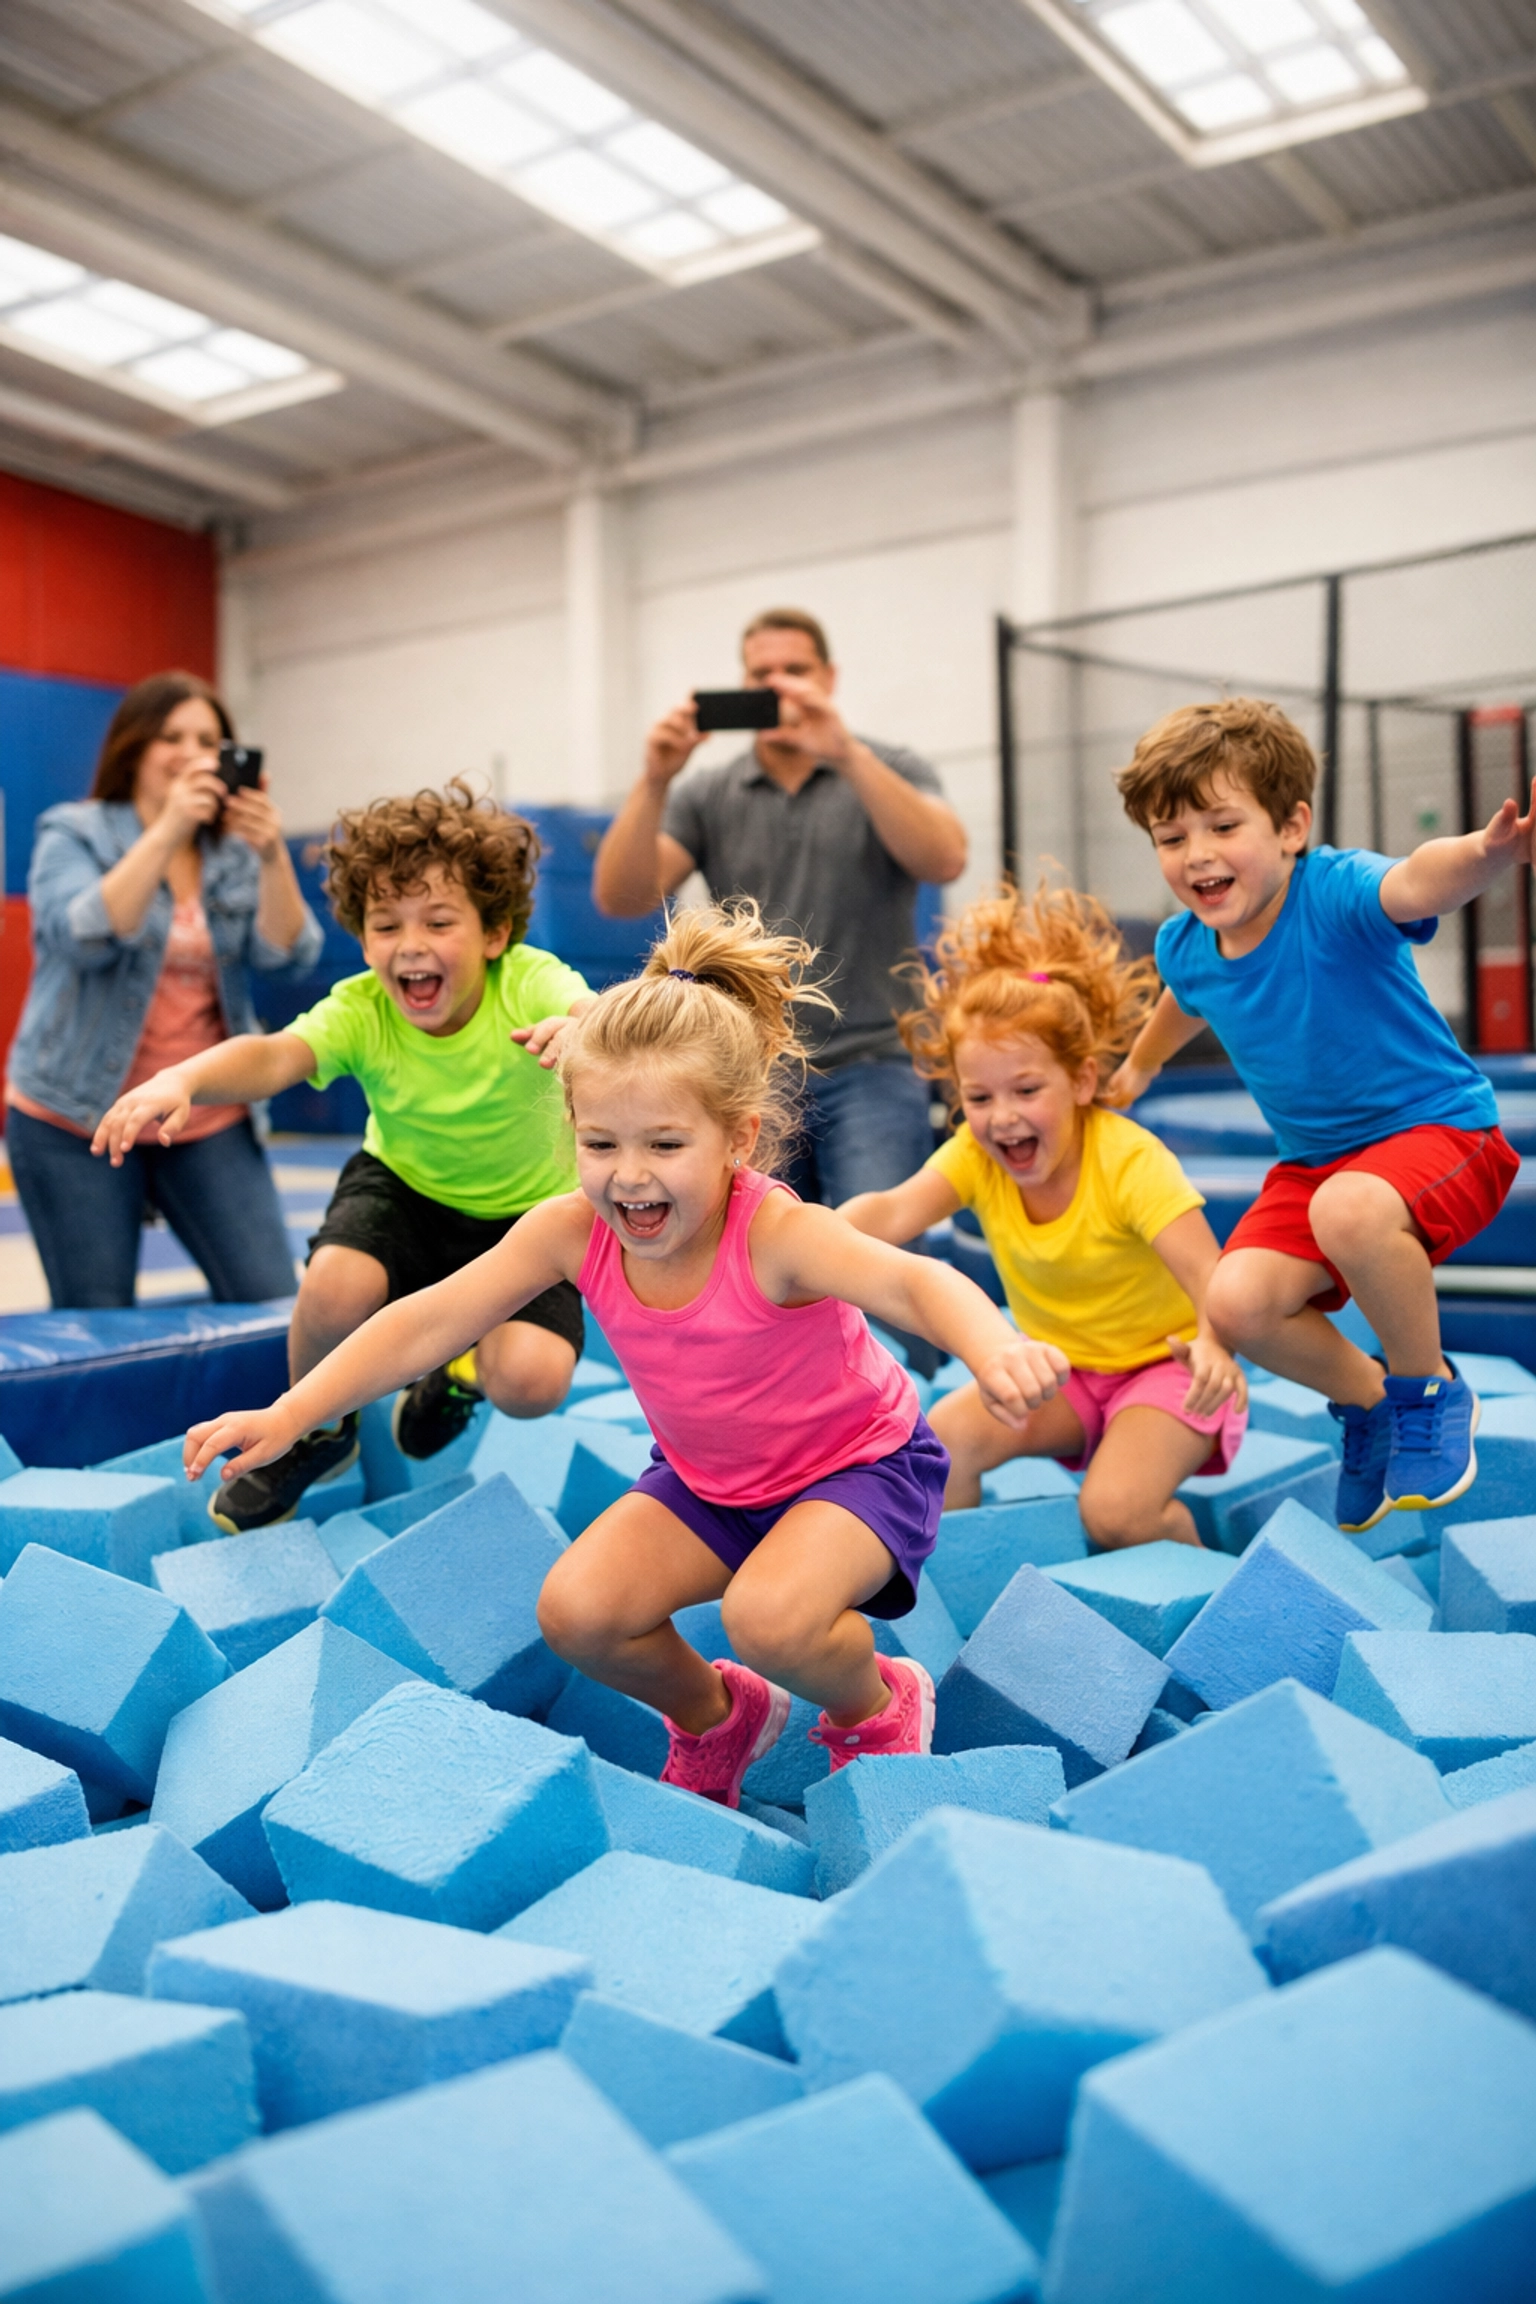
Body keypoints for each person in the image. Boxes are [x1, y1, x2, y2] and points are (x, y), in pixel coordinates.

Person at [183, 904, 1064, 1805]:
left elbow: (918, 1284)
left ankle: (875, 1703)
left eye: (665, 1145)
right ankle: (722, 1718)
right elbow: (428, 1320)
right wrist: (292, 1413)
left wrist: (992, 1345)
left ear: (739, 1140)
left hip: (857, 1471)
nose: (628, 1175)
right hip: (712, 1483)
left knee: (768, 1618)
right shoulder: (572, 1231)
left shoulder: (778, 1235)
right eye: (600, 1144)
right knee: (579, 1614)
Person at [95, 780, 593, 1531]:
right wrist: (184, 1077)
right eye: (386, 925)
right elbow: (273, 1056)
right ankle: (320, 1431)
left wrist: (589, 1031)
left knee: (531, 1382)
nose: (411, 944)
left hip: (527, 1215)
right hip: (405, 1186)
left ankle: (453, 1376)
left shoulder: (529, 983)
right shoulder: (362, 1007)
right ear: (363, 940)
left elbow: (593, 1010)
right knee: (334, 1286)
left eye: (438, 920)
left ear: (494, 935)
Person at [1108, 698, 1523, 1532]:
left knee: (1351, 1208)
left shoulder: (1332, 893)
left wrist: (1486, 854)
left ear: (1293, 826)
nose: (1198, 855)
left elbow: (1416, 877)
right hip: (1319, 1166)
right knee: (1236, 1300)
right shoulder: (1186, 944)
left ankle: (1427, 1389)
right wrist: (1139, 1066)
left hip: (1441, 1133)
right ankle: (1371, 1404)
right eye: (1172, 837)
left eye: (1223, 826)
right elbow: (1184, 1001)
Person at [840, 883, 1247, 1541]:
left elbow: (1213, 1277)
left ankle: (1205, 1588)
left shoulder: (1128, 1162)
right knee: (943, 1442)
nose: (1002, 1117)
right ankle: (956, 1602)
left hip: (1171, 1369)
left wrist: (1217, 1346)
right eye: (978, 1096)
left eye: (1026, 1090)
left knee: (1114, 1512)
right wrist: (798, 1235)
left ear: (1082, 1081)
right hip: (1068, 1373)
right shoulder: (978, 1154)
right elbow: (890, 1212)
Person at [591, 607, 968, 1211]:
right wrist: (655, 779)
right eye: (761, 674)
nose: (779, 685)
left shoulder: (888, 766)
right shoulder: (708, 792)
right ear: (742, 688)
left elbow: (945, 859)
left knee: (879, 1260)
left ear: (829, 678)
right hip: (756, 1066)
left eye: (796, 669)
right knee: (762, 1265)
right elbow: (622, 897)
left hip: (875, 1056)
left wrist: (845, 753)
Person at [6, 670, 320, 1309]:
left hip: (202, 1114)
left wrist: (270, 855)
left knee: (267, 1297)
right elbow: (84, 935)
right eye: (171, 736)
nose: (192, 751)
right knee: (97, 1314)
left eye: (208, 738)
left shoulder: (231, 852)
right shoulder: (74, 831)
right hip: (76, 1114)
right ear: (136, 747)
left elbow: (291, 956)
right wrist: (169, 829)